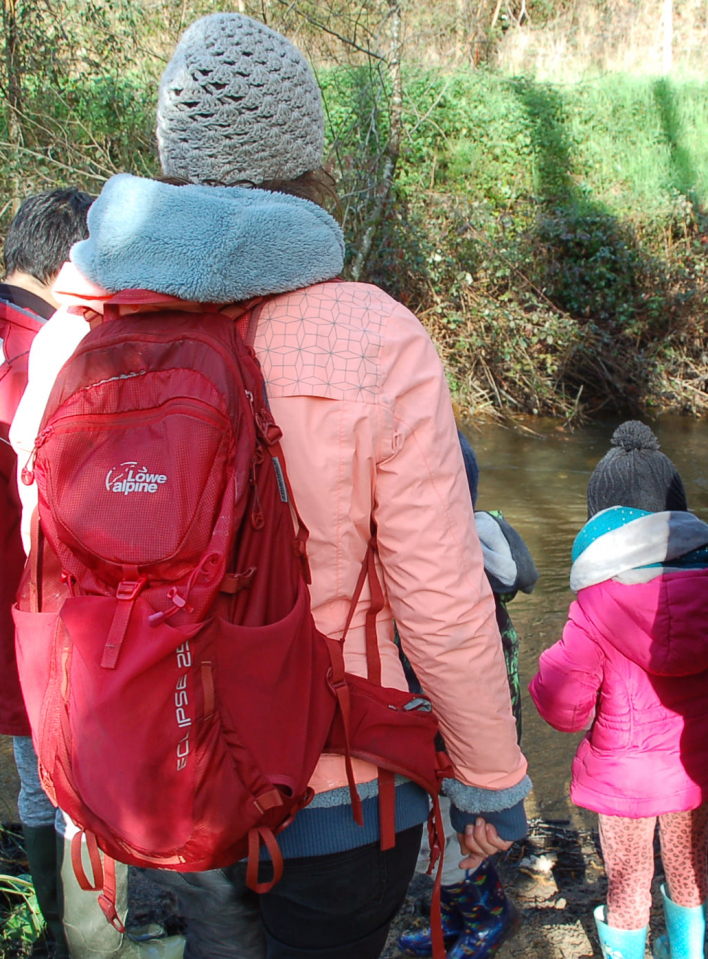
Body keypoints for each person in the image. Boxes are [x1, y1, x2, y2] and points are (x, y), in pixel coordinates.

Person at [12, 14, 531, 959]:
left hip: (170, 753)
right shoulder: (376, 337)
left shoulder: (72, 334)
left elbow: (49, 565)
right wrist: (492, 777)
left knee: (218, 938)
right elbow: (440, 598)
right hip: (344, 792)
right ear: (306, 157)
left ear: (171, 155)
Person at [529, 421, 708, 959]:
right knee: (692, 873)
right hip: (695, 769)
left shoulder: (593, 607)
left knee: (627, 884)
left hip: (623, 781)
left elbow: (564, 708)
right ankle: (688, 951)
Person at [400, 432, 538, 959]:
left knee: (460, 841)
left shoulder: (448, 579)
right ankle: (456, 918)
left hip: (459, 736)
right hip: (461, 729)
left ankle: (489, 918)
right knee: (440, 838)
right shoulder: (470, 561)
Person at [0, 188, 93, 959]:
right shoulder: (49, 352)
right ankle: (75, 932)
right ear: (69, 264)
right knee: (63, 779)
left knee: (34, 774)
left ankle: (49, 921)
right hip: (31, 607)